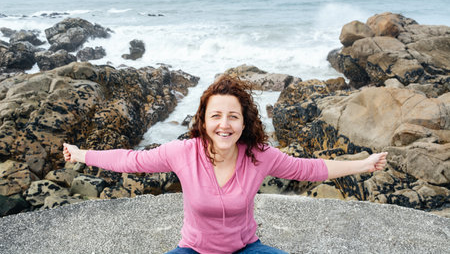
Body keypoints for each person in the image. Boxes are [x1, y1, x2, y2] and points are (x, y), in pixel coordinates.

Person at [63, 75, 387, 254]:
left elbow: (308, 169)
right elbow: (130, 161)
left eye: (233, 116)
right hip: (193, 251)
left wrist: (363, 164)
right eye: (215, 115)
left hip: (247, 250)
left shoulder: (257, 155)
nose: (224, 124)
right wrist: (80, 154)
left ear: (244, 124)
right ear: (203, 121)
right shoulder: (183, 152)